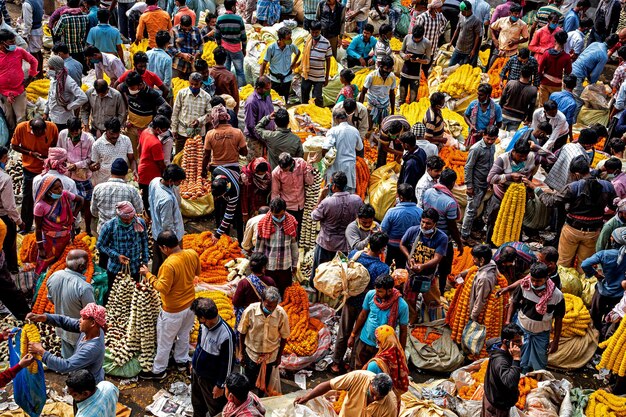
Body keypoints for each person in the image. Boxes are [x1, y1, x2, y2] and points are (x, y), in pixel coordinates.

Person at [528, 155, 616, 269]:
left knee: (563, 263)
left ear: (577, 174)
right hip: (593, 232)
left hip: (572, 230)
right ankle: (583, 286)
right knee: (584, 266)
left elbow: (550, 202)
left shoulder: (573, 187)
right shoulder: (607, 186)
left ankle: (564, 285)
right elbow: (613, 206)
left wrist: (536, 188)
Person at [139, 230, 200, 379]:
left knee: (165, 341)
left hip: (173, 310)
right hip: (190, 305)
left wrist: (148, 275)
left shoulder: (168, 264)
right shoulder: (192, 253)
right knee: (184, 334)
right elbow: (197, 272)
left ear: (165, 247)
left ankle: (159, 370)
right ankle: (181, 361)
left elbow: (162, 288)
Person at [332, 231, 390, 373]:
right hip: (366, 305)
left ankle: (335, 362)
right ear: (383, 248)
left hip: (350, 299)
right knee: (358, 335)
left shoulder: (354, 255)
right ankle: (352, 367)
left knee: (343, 331)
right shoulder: (383, 268)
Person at [486, 139, 555, 245]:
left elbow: (552, 159)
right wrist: (509, 176)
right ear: (513, 151)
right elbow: (490, 178)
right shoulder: (503, 159)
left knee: (517, 222)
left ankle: (514, 245)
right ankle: (490, 244)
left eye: (525, 156)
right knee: (495, 221)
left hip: (520, 197)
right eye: (520, 156)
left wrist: (536, 147)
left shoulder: (532, 156)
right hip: (501, 195)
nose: (523, 159)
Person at [26, 303, 106, 383]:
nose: (79, 320)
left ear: (92, 323)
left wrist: (41, 351)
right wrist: (44, 317)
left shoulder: (92, 349)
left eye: (83, 318)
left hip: (87, 385)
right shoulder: (93, 330)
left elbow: (65, 366)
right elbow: (65, 321)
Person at [507, 263, 564, 373]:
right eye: (532, 280)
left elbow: (558, 318)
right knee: (519, 358)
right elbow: (513, 303)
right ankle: (519, 380)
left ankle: (536, 382)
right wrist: (508, 321)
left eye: (538, 281)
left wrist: (556, 341)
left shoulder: (557, 296)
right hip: (522, 330)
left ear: (546, 279)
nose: (534, 283)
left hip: (541, 334)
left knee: (540, 362)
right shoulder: (524, 286)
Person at [348, 274, 409, 369]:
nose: (376, 293)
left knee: (375, 371)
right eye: (376, 290)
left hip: (382, 347)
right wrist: (353, 334)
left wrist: (401, 352)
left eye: (380, 291)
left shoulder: (402, 305)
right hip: (365, 340)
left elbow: (403, 331)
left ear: (389, 291)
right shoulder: (371, 295)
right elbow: (363, 315)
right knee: (358, 367)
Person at [310, 171, 363, 280]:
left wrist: (321, 197)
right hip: (344, 245)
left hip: (326, 243)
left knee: (320, 275)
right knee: (339, 276)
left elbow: (314, 216)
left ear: (333, 186)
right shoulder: (356, 200)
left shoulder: (327, 202)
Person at [238, 286, 289, 395]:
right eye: (268, 306)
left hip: (270, 356)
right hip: (252, 354)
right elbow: (242, 332)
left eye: (274, 306)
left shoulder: (281, 314)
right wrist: (241, 353)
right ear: (262, 301)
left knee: (265, 383)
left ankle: (261, 400)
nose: (270, 309)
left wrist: (279, 356)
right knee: (249, 381)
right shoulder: (250, 311)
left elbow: (284, 337)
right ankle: (248, 400)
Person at [400, 208, 449, 319]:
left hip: (428, 275)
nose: (424, 225)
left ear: (435, 224)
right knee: (409, 300)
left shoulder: (442, 238)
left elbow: (437, 258)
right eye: (422, 222)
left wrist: (422, 266)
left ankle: (431, 319)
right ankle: (412, 319)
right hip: (411, 274)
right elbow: (402, 244)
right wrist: (409, 257)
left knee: (433, 301)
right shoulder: (413, 231)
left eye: (428, 223)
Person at [11, 118, 58, 232]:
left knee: (48, 197)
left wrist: (48, 159)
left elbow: (54, 144)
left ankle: (47, 226)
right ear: (32, 129)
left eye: (43, 132)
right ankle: (25, 226)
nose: (41, 135)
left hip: (46, 169)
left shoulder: (52, 128)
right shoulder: (21, 128)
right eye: (38, 133)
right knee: (27, 198)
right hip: (29, 168)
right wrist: (31, 154)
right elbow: (14, 146)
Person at [190, 297, 235, 417]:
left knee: (215, 409)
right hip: (197, 374)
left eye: (198, 317)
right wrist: (194, 363)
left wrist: (220, 385)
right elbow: (200, 344)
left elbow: (228, 364)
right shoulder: (203, 325)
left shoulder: (226, 335)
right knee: (197, 404)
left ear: (203, 318)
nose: (198, 320)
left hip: (211, 381)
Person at [97, 201, 149, 303]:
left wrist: (145, 261)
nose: (129, 221)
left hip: (134, 267)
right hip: (115, 269)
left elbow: (144, 242)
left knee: (133, 296)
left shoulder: (139, 223)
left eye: (131, 218)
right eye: (125, 220)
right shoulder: (109, 226)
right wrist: (116, 256)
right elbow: (100, 245)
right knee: (114, 296)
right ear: (118, 216)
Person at [46, 249, 95, 358]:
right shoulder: (84, 287)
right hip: (79, 334)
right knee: (82, 364)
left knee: (69, 360)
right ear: (81, 267)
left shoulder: (54, 276)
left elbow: (51, 299)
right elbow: (91, 315)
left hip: (61, 328)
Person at [422, 168, 464, 290]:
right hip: (443, 239)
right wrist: (459, 243)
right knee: (444, 268)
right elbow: (452, 226)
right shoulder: (450, 202)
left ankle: (426, 288)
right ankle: (440, 290)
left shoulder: (429, 192)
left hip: (427, 234)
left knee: (428, 263)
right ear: (452, 184)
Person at [580, 226, 626, 333]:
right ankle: (605, 334)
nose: (610, 239)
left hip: (603, 291)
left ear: (615, 241)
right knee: (612, 318)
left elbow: (585, 264)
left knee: (595, 315)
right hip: (619, 294)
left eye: (611, 238)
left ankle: (595, 334)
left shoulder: (604, 254)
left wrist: (595, 274)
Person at [34, 177, 84, 274]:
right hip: (49, 240)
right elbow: (38, 228)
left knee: (62, 263)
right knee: (45, 264)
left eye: (60, 187)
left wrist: (73, 218)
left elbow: (81, 200)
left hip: (65, 238)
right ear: (48, 191)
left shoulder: (64, 195)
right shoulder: (40, 206)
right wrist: (40, 248)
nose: (60, 190)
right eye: (55, 189)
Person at [295, 371, 396, 417]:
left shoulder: (390, 407)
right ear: (371, 382)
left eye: (379, 397)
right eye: (373, 393)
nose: (374, 398)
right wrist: (306, 397)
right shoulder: (358, 377)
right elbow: (328, 385)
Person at [118, 71, 171, 158]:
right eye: (128, 87)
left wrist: (156, 122)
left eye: (132, 88)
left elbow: (166, 107)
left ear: (140, 85)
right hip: (131, 127)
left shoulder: (151, 94)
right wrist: (126, 102)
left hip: (145, 130)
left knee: (144, 154)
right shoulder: (126, 87)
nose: (129, 89)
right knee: (131, 152)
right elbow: (119, 87)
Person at [56, 118, 95, 235]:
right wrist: (65, 164)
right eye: (71, 132)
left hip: (83, 176)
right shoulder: (62, 135)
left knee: (86, 203)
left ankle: (87, 229)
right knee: (66, 203)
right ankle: (69, 229)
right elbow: (59, 152)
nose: (74, 134)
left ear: (81, 129)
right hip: (67, 175)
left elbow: (91, 159)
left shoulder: (89, 139)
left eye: (76, 132)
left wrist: (77, 165)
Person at [254, 198, 298, 295]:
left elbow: (294, 246)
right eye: (276, 216)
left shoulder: (292, 222)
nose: (279, 218)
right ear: (271, 211)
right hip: (269, 266)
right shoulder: (263, 223)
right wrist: (258, 266)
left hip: (285, 266)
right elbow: (259, 247)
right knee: (268, 294)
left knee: (285, 293)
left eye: (281, 215)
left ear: (285, 211)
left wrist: (295, 264)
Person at [91, 158, 143, 237]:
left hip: (103, 232)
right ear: (125, 174)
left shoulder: (98, 188)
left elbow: (94, 212)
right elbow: (139, 210)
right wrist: (139, 196)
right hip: (124, 233)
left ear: (111, 172)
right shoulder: (131, 190)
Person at [462, 126, 497, 243]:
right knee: (471, 210)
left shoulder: (493, 147)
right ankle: (464, 236)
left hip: (484, 183)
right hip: (476, 184)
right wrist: (469, 185)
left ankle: (470, 230)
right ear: (483, 136)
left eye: (493, 139)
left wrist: (490, 181)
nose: (490, 141)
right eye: (488, 139)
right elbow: (468, 167)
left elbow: (491, 164)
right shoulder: (476, 148)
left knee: (476, 209)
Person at [148, 165, 186, 274]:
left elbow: (149, 199)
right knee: (171, 267)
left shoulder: (155, 181)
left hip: (156, 232)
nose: (180, 183)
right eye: (179, 181)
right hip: (168, 238)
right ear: (170, 181)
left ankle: (153, 282)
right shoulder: (166, 199)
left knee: (157, 262)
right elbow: (167, 225)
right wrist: (173, 246)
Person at [364, 325, 409, 414]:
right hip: (394, 402)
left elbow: (368, 388)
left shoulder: (375, 365)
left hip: (378, 405)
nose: (377, 342)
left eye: (379, 340)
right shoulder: (400, 357)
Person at [482, 324, 523, 417]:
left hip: (493, 396)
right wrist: (516, 358)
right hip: (496, 405)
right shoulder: (500, 361)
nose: (521, 344)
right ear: (505, 342)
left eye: (521, 340)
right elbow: (510, 382)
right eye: (517, 341)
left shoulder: (498, 345)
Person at [0, 29, 38, 129]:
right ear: (2, 43)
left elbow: (33, 61)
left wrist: (30, 77)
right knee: (8, 117)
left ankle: (20, 136)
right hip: (3, 93)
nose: (14, 44)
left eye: (14, 41)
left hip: (19, 91)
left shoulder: (19, 51)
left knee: (21, 118)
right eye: (11, 42)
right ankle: (12, 138)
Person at [271, 153, 312, 239]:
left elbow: (310, 182)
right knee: (289, 233)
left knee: (301, 232)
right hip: (288, 207)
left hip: (302, 204)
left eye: (286, 168)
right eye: (282, 168)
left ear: (292, 163)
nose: (284, 170)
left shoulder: (301, 164)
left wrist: (309, 167)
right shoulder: (276, 172)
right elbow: (275, 192)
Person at [381, 184, 422, 268]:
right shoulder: (420, 212)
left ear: (400, 197)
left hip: (392, 248)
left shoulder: (392, 212)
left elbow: (382, 231)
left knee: (391, 270)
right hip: (411, 249)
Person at [544, 128, 597, 192]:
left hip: (555, 180)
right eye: (593, 144)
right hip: (567, 187)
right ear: (588, 144)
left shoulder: (567, 145)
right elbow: (581, 176)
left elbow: (555, 158)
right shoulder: (581, 157)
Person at [323, 109, 363, 193]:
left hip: (335, 167)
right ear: (347, 118)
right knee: (348, 193)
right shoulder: (354, 130)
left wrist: (325, 158)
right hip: (349, 166)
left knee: (333, 193)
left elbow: (326, 147)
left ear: (335, 118)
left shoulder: (333, 131)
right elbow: (360, 147)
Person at [44, 56, 88, 132]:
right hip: (52, 117)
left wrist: (69, 107)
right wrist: (46, 112)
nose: (49, 70)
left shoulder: (68, 81)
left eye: (51, 68)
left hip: (63, 119)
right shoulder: (53, 79)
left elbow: (83, 98)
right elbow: (50, 96)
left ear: (56, 68)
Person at [170, 73, 211, 153]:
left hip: (198, 134)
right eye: (191, 84)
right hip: (182, 132)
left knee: (196, 159)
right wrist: (174, 129)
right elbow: (175, 112)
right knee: (179, 157)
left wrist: (199, 121)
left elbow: (210, 114)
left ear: (201, 84)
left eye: (196, 84)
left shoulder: (206, 96)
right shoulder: (182, 93)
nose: (193, 86)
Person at [203, 105, 248, 175]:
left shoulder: (210, 134)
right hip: (234, 168)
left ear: (214, 118)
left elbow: (206, 155)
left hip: (216, 168)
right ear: (227, 117)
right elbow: (244, 153)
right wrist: (236, 149)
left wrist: (203, 170)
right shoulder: (237, 132)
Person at [90, 118, 136, 186]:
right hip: (104, 183)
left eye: (117, 133)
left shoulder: (126, 140)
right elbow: (93, 165)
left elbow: (132, 159)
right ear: (106, 130)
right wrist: (93, 168)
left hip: (122, 182)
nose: (115, 136)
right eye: (112, 133)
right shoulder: (97, 145)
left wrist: (134, 170)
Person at [233, 252, 276, 325]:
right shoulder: (270, 281)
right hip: (265, 317)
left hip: (248, 319)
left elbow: (236, 302)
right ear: (263, 267)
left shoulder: (244, 283)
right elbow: (274, 299)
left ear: (250, 267)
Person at [260, 27, 300, 103]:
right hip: (274, 80)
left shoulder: (291, 46)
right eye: (288, 38)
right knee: (273, 101)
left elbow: (298, 53)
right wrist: (261, 78)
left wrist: (294, 63)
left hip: (287, 79)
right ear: (281, 39)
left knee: (284, 101)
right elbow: (264, 63)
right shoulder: (271, 48)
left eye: (290, 37)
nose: (290, 40)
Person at [215, 0, 247, 87]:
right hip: (236, 49)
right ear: (233, 7)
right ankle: (241, 91)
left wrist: (220, 47)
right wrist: (244, 49)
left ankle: (227, 89)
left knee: (226, 71)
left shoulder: (219, 19)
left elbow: (217, 35)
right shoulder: (239, 19)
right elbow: (243, 37)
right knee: (240, 72)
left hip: (224, 49)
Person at [0, 148, 22, 272]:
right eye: (6, 157)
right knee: (9, 246)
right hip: (3, 217)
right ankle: (12, 269)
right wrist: (19, 222)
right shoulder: (5, 179)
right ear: (3, 158)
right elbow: (9, 207)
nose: (7, 159)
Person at [301, 21, 332, 107]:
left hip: (319, 76)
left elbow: (328, 60)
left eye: (316, 32)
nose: (314, 34)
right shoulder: (307, 41)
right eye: (312, 32)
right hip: (306, 75)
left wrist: (326, 77)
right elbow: (304, 56)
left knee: (317, 98)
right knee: (304, 97)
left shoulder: (326, 43)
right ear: (310, 30)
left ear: (320, 31)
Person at [359, 55, 397, 127]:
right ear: (380, 66)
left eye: (390, 69)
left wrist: (392, 111)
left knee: (383, 127)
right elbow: (363, 92)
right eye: (386, 69)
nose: (388, 71)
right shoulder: (371, 76)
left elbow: (392, 94)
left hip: (385, 106)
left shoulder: (392, 77)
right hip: (372, 106)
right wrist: (360, 109)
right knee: (369, 127)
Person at [398, 25, 431, 106]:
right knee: (402, 95)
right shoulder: (407, 38)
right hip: (405, 71)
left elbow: (428, 60)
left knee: (413, 99)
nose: (415, 40)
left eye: (418, 39)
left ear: (422, 36)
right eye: (414, 38)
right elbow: (401, 51)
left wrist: (420, 61)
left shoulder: (427, 43)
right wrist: (404, 56)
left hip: (415, 74)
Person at [536, 31, 571, 107]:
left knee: (542, 105)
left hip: (545, 82)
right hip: (557, 85)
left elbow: (539, 69)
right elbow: (568, 71)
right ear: (565, 42)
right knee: (553, 106)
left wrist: (541, 79)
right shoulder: (566, 57)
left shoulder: (547, 53)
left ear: (555, 40)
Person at [244, 76, 275, 161]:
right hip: (255, 139)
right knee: (255, 164)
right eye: (266, 89)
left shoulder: (268, 96)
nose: (269, 91)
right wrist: (261, 138)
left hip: (267, 136)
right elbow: (250, 125)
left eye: (269, 88)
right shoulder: (251, 102)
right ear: (258, 88)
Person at [53, 0, 90, 69]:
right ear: (79, 4)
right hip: (81, 49)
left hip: (68, 50)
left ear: (68, 5)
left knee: (69, 70)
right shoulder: (85, 16)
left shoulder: (64, 18)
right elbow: (87, 31)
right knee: (81, 70)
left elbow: (56, 33)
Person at [463, 83, 503, 148]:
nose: (478, 97)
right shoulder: (473, 104)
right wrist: (471, 125)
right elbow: (465, 115)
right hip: (473, 135)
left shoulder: (496, 108)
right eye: (478, 94)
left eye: (481, 95)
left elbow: (499, 124)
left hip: (487, 138)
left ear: (488, 95)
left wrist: (486, 131)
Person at [499, 65, 537, 131]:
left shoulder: (510, 83)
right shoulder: (533, 90)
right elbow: (531, 107)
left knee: (497, 136)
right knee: (510, 138)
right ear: (531, 76)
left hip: (504, 114)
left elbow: (502, 99)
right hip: (518, 118)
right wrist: (528, 119)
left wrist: (498, 111)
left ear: (520, 73)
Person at [211, 165, 243, 242]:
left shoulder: (234, 193)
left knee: (238, 217)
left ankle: (240, 241)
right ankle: (225, 236)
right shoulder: (216, 171)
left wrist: (217, 234)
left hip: (241, 193)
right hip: (227, 185)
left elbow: (228, 215)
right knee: (221, 211)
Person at [414, 0, 447, 68]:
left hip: (432, 48)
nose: (441, 9)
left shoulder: (439, 16)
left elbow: (445, 23)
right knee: (418, 68)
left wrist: (439, 32)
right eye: (440, 8)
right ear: (434, 8)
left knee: (426, 68)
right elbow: (416, 33)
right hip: (422, 49)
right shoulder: (422, 17)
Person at [169, 16, 203, 80]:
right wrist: (182, 55)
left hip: (192, 66)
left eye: (189, 28)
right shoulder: (174, 31)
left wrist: (196, 54)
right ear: (180, 24)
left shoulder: (196, 30)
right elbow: (170, 47)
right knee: (176, 85)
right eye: (185, 29)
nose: (187, 31)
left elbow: (201, 44)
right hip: (178, 65)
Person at [449, 0, 481, 66]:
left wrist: (473, 50)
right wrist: (451, 42)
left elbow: (477, 36)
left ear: (469, 10)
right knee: (451, 65)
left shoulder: (476, 21)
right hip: (458, 48)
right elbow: (457, 30)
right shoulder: (461, 17)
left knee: (462, 69)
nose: (461, 13)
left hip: (467, 51)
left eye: (463, 11)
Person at [209, 47, 240, 114]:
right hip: (226, 110)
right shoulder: (230, 76)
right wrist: (235, 113)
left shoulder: (209, 73)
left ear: (214, 58)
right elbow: (235, 97)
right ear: (225, 59)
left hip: (211, 108)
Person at [241, 158, 271, 222]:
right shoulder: (247, 179)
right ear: (255, 171)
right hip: (251, 206)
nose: (262, 176)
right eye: (260, 174)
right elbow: (244, 197)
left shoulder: (268, 177)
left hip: (264, 205)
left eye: (264, 173)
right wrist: (245, 213)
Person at [21, 0, 43, 75]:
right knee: (38, 51)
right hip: (39, 28)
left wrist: (24, 35)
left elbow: (28, 23)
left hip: (33, 31)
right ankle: (40, 72)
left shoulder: (27, 4)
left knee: (34, 53)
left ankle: (37, 73)